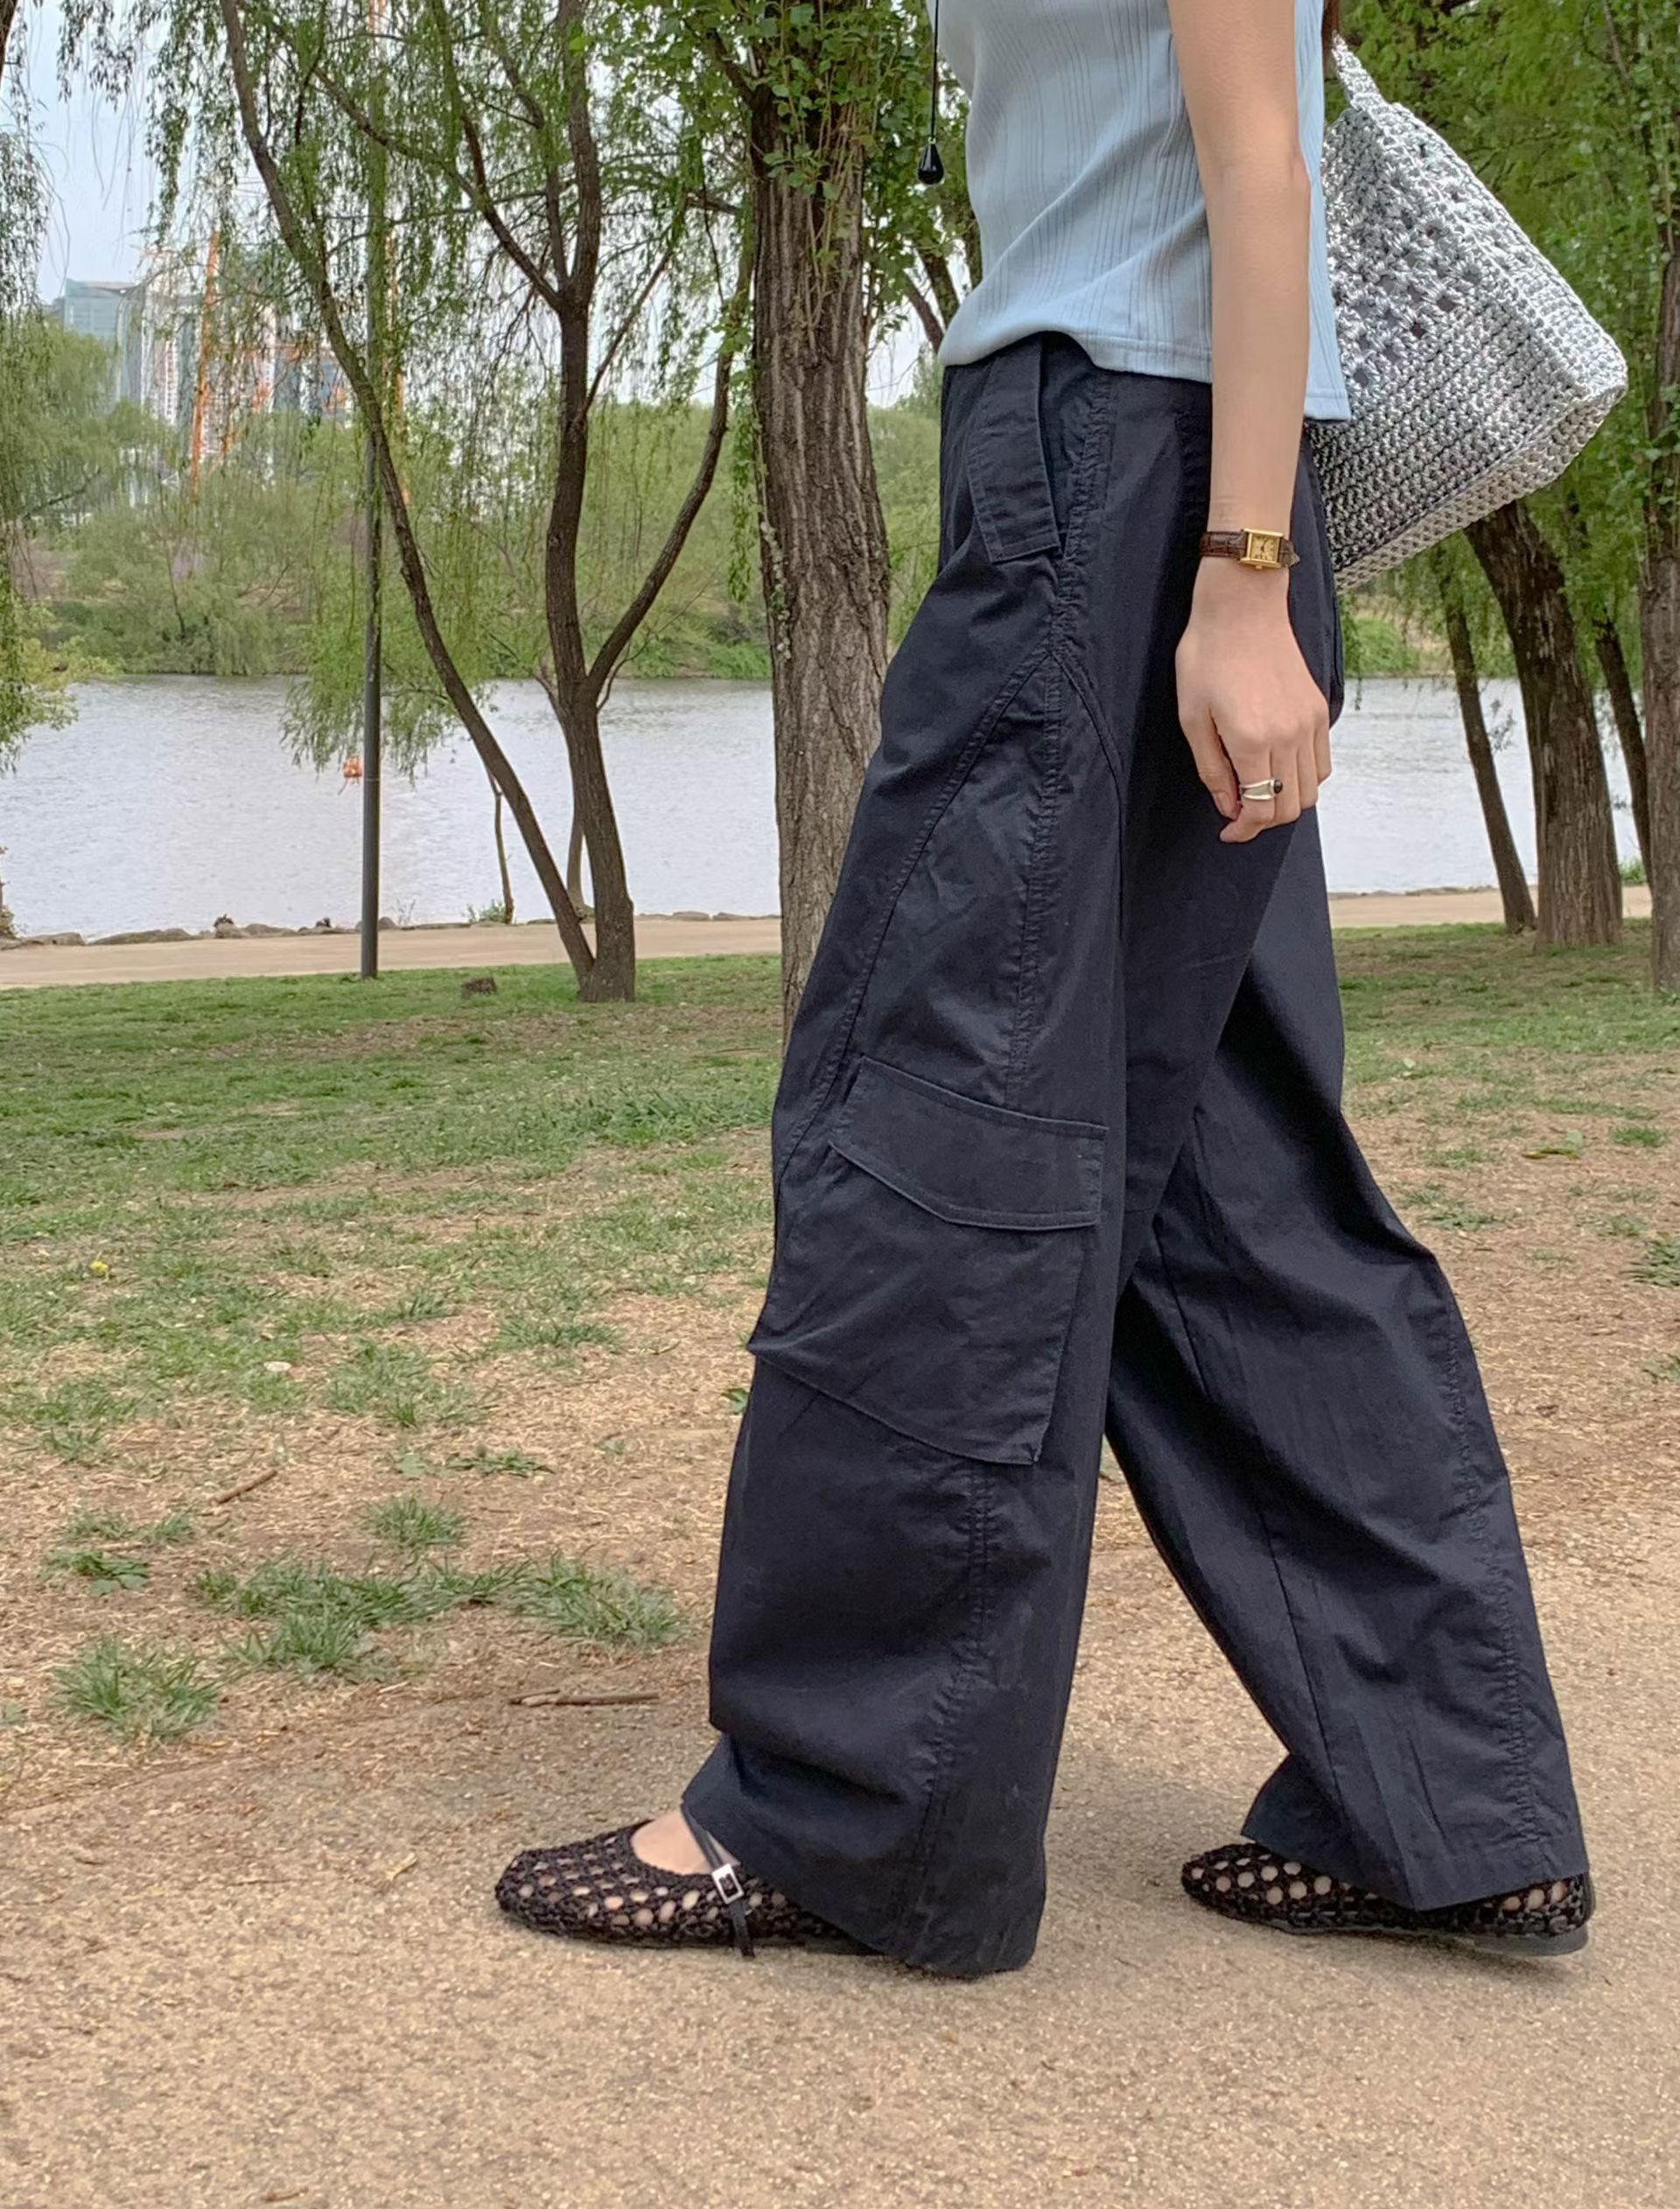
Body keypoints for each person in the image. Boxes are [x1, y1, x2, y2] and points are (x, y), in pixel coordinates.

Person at [496, 0, 1592, 1975]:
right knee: (1230, 1179)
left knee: (932, 1114)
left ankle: (851, 1804)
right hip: (1157, 477)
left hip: (1132, 483)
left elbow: (1260, 159)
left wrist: (1242, 576)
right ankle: (1447, 1797)